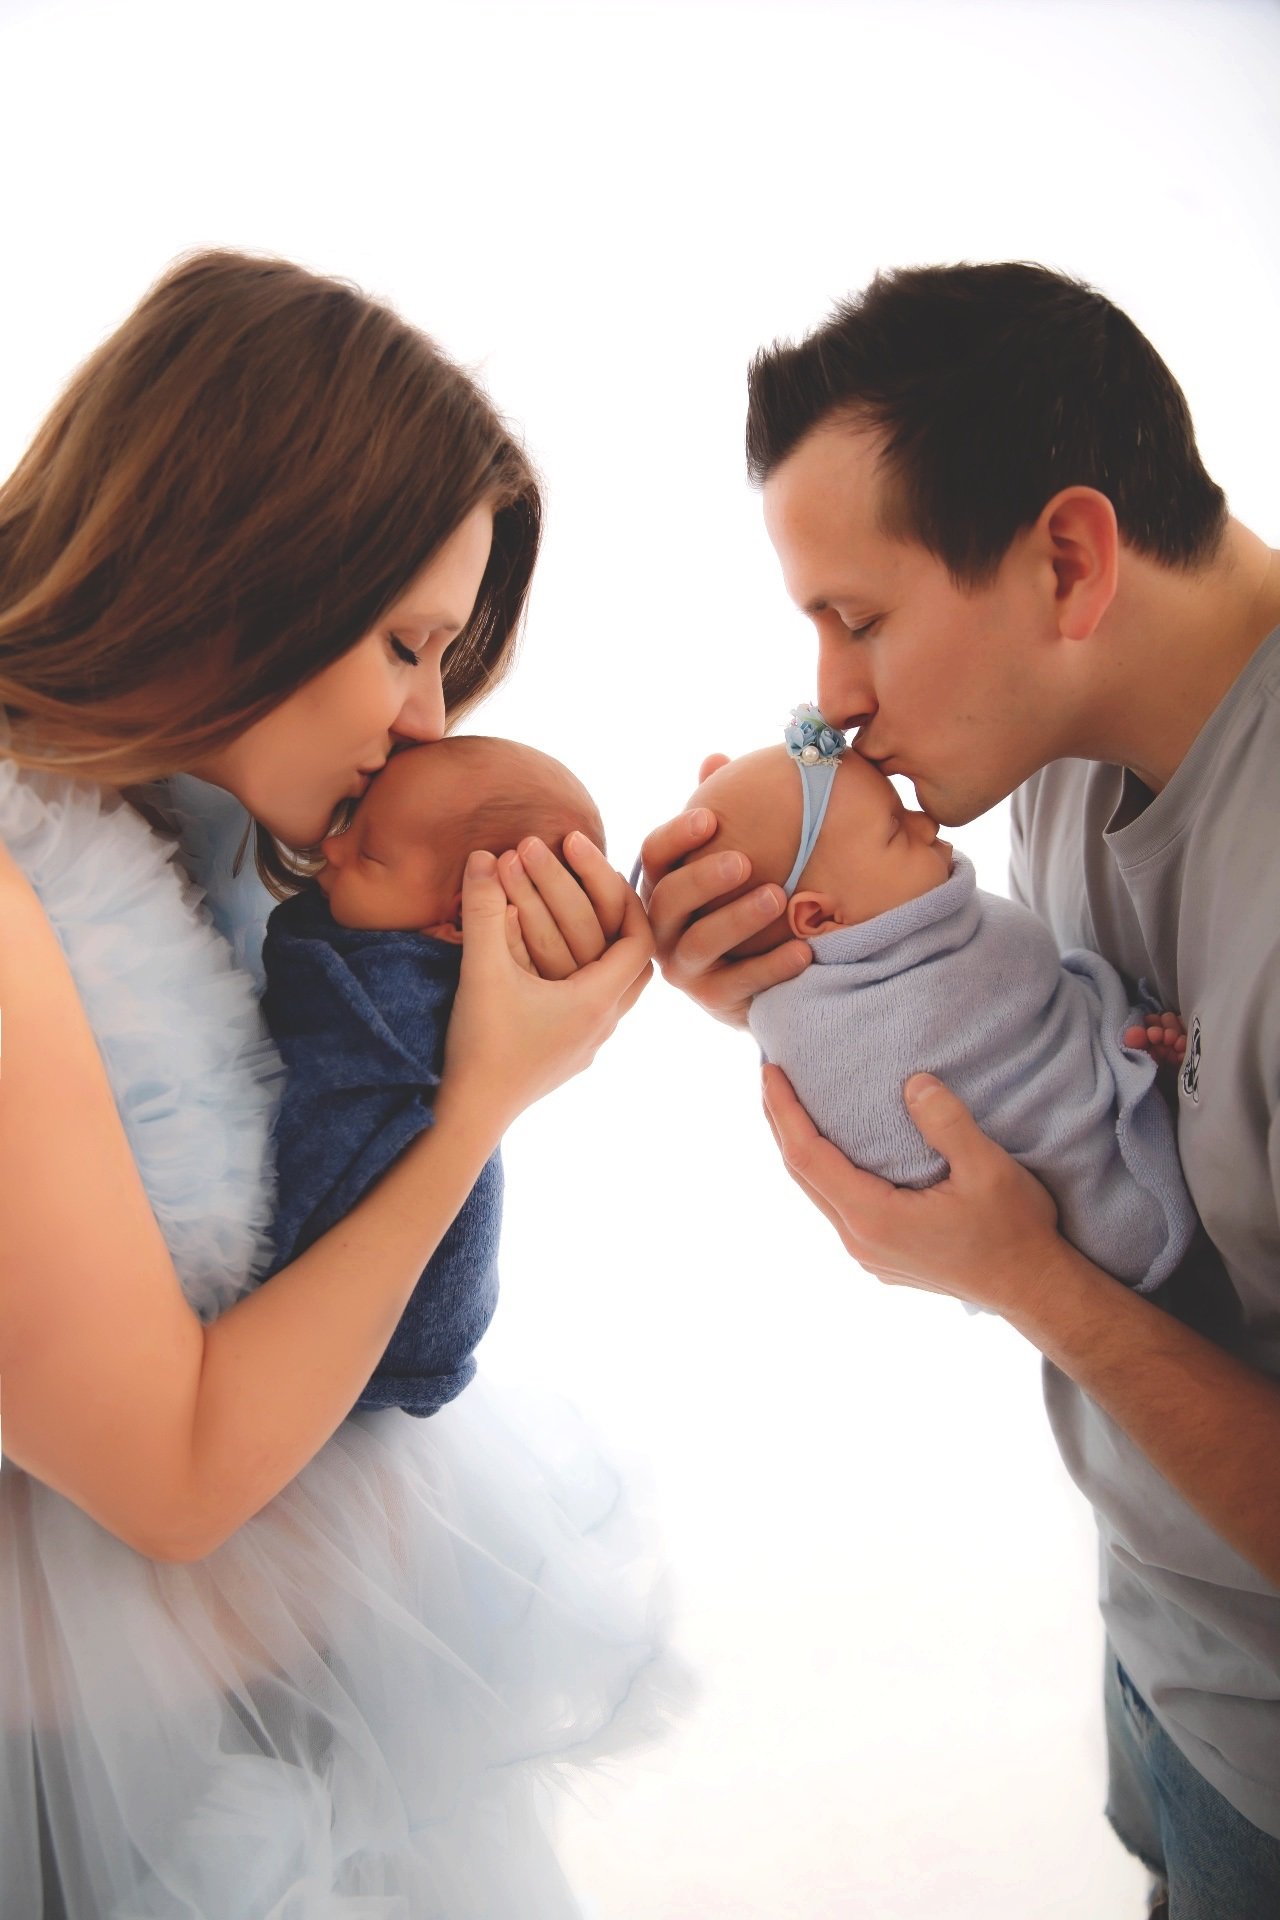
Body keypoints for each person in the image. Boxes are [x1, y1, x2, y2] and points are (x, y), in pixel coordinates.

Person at [0, 249, 670, 1919]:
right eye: (405, 643)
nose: (429, 716)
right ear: (240, 568)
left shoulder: (195, 853)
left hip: (216, 1748)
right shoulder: (20, 902)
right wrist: (476, 1115)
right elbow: (174, 1480)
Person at [640, 263, 1280, 1920]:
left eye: (859, 619)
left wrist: (1024, 1283)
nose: (831, 698)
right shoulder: (1066, 731)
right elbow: (1054, 1049)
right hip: (1171, 1655)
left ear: (1069, 557)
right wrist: (815, 992)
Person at [679, 710, 1194, 1296]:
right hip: (1095, 1214)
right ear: (819, 917)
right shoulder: (841, 1023)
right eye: (896, 827)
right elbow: (893, 1130)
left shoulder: (932, 933)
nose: (926, 823)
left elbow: (1026, 1013)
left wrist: (1103, 1034)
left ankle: (1138, 1077)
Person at [259, 734, 607, 1419]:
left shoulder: (395, 1014)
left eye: (368, 853)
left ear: (456, 918)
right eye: (348, 823)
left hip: (382, 1337)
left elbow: (313, 1150)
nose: (331, 849)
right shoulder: (375, 943)